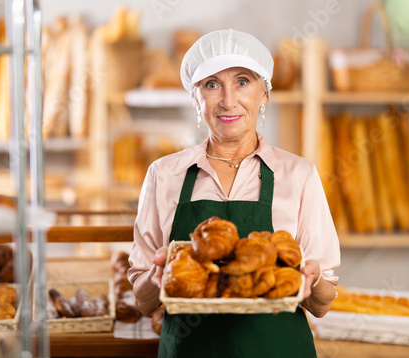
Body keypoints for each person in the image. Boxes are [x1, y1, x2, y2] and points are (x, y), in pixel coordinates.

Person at [128, 28, 340, 358]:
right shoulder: (164, 175)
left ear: (264, 94)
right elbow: (142, 303)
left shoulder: (299, 175)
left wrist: (311, 281)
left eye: (243, 81)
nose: (228, 101)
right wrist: (157, 279)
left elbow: (323, 304)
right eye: (212, 85)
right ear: (195, 98)